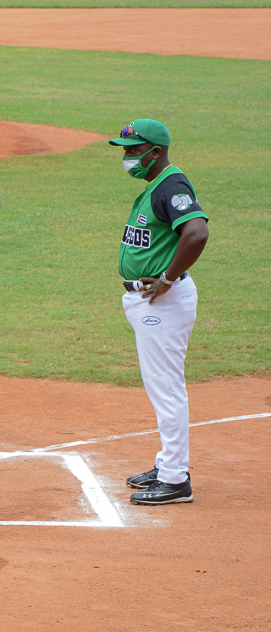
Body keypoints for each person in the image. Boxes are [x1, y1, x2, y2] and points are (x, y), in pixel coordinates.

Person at [111, 119, 208, 505]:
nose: (127, 156)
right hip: (152, 301)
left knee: (166, 389)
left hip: (162, 302)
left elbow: (196, 233)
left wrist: (166, 278)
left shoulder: (171, 185)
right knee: (162, 387)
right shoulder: (156, 185)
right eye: (125, 149)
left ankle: (174, 479)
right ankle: (167, 463)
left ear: (156, 151)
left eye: (134, 150)